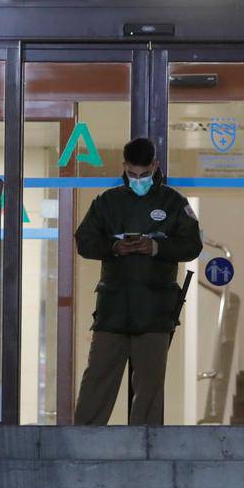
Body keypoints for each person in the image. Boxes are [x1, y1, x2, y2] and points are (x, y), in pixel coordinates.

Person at [72, 136, 203, 425]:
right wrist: (114, 247)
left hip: (155, 310)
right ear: (124, 167)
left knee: (150, 387)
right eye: (132, 174)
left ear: (155, 166)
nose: (138, 179)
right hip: (113, 308)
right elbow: (84, 240)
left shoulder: (173, 202)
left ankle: (145, 444)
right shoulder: (108, 202)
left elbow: (192, 245)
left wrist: (156, 248)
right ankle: (84, 439)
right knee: (98, 379)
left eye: (144, 174)